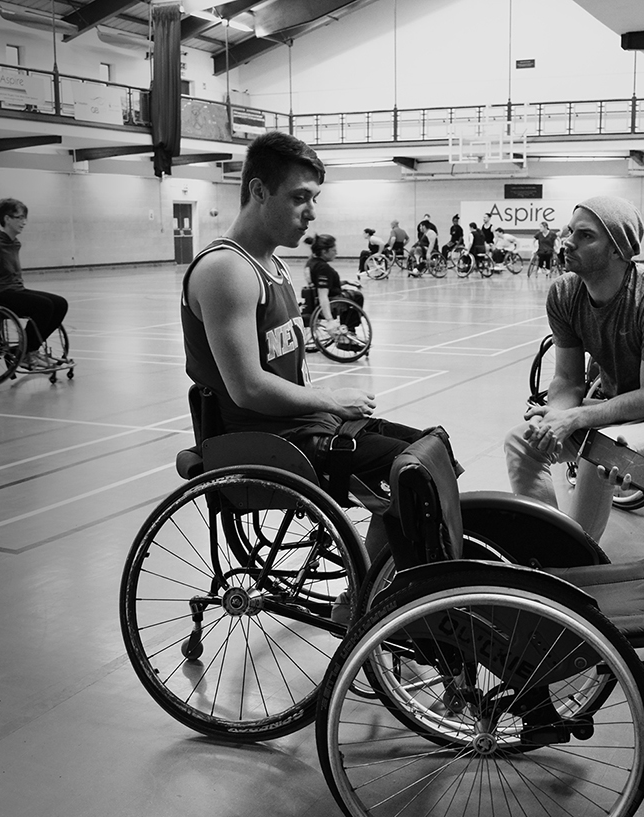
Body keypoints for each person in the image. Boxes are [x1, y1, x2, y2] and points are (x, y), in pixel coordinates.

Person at [180, 131, 456, 559]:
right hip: (270, 443)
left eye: (314, 198)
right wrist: (330, 399)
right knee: (413, 471)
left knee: (434, 448)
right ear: (259, 191)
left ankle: (390, 582)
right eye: (299, 198)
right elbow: (248, 388)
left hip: (304, 427)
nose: (311, 212)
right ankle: (382, 591)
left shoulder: (272, 265)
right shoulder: (226, 270)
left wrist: (327, 402)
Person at [505, 196, 644, 546]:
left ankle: (576, 558)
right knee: (522, 441)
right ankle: (548, 545)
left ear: (619, 250)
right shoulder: (565, 293)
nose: (568, 242)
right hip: (613, 412)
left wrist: (575, 418)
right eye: (570, 231)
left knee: (600, 449)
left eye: (585, 235)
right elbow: (567, 379)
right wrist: (555, 417)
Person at [0, 197, 69, 370]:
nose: (24, 222)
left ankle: (28, 349)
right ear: (7, 219)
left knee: (60, 303)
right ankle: (25, 352)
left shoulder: (14, 243)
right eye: (19, 217)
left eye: (25, 218)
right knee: (44, 306)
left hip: (13, 290)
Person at [305, 233, 364, 336]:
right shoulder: (323, 268)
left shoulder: (311, 262)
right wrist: (329, 320)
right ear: (324, 251)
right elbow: (323, 295)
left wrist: (346, 282)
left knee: (350, 293)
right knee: (357, 296)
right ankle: (349, 330)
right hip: (332, 302)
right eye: (333, 250)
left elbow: (324, 284)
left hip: (317, 299)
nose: (336, 252)